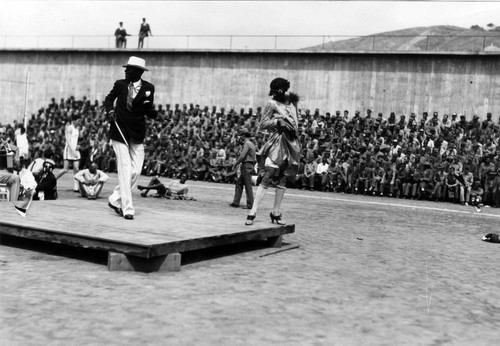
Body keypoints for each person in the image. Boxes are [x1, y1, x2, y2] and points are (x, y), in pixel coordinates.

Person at [102, 56, 160, 220]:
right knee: (126, 169)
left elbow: (147, 109)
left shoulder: (149, 88)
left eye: (129, 69)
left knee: (136, 171)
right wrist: (110, 111)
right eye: (126, 69)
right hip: (119, 131)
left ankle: (115, 199)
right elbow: (108, 100)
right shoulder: (120, 84)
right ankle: (127, 208)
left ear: (138, 72)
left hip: (137, 133)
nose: (126, 71)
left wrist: (157, 116)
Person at [245, 77, 301, 226]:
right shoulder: (271, 104)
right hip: (277, 142)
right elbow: (262, 124)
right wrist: (277, 122)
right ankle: (253, 211)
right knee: (268, 175)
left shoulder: (292, 104)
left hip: (291, 143)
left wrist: (291, 128)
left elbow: (296, 124)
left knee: (283, 178)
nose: (276, 94)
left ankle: (275, 212)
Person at [229, 128, 256, 209]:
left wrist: (235, 164)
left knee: (248, 185)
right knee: (239, 183)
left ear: (244, 135)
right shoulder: (250, 143)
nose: (240, 137)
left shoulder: (247, 144)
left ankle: (250, 204)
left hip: (246, 165)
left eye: (241, 135)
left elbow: (242, 156)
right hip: (248, 165)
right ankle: (235, 202)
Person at [55, 114, 81, 192]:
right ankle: (53, 180)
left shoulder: (77, 128)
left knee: (76, 169)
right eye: (78, 121)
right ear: (74, 121)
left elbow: (75, 140)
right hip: (68, 150)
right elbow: (68, 141)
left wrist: (77, 146)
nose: (80, 122)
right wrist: (72, 151)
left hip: (75, 150)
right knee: (65, 169)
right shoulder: (69, 128)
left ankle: (76, 187)